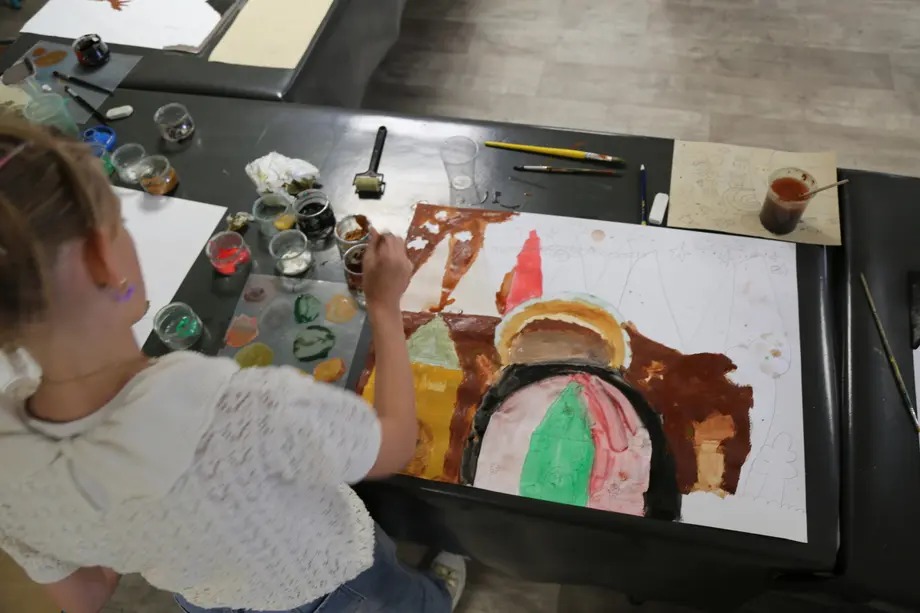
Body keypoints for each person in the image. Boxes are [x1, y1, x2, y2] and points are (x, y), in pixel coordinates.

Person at [0, 119, 465, 613]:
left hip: (209, 603)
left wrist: (122, 522)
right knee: (405, 601)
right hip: (331, 585)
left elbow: (84, 596)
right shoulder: (244, 408)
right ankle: (434, 599)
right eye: (121, 227)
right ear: (102, 260)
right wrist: (385, 308)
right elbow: (394, 445)